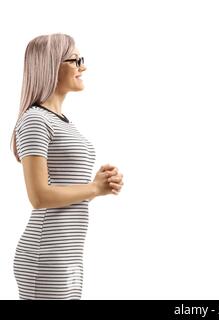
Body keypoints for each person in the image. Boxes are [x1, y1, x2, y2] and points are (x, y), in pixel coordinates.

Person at [11, 33, 124, 300]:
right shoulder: (35, 120)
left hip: (68, 253)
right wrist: (94, 188)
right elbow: (39, 197)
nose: (83, 67)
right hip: (46, 254)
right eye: (75, 60)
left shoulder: (63, 122)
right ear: (52, 64)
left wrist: (100, 185)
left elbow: (68, 190)